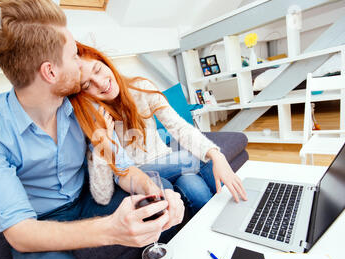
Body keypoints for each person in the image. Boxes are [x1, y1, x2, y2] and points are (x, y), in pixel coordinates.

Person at [0, 0, 184, 259]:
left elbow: (123, 169)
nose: (81, 63)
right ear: (50, 72)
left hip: (86, 199)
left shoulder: (82, 104)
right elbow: (20, 232)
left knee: (158, 194)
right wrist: (112, 230)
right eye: (74, 55)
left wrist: (150, 188)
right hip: (38, 222)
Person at [68, 42, 247, 215]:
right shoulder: (95, 117)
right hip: (138, 174)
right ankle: (237, 209)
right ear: (82, 93)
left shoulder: (141, 88)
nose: (100, 83)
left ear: (105, 62)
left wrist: (215, 155)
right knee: (194, 158)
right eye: (87, 85)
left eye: (98, 70)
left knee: (193, 187)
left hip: (168, 160)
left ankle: (231, 221)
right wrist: (104, 141)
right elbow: (103, 191)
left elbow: (179, 127)